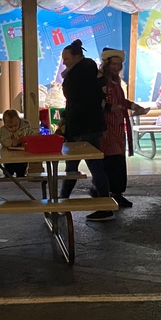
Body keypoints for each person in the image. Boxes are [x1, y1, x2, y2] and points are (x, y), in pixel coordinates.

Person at [57, 40, 113, 222]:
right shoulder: (89, 70)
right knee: (93, 167)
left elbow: (77, 102)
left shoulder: (78, 74)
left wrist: (68, 120)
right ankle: (102, 204)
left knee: (77, 167)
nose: (64, 62)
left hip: (80, 126)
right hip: (91, 125)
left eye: (66, 58)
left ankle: (61, 203)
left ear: (76, 57)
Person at [98, 48, 145, 209]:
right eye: (114, 64)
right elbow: (97, 102)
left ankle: (116, 192)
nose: (116, 67)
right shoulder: (101, 81)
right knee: (111, 161)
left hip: (117, 126)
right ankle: (110, 192)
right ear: (107, 64)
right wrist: (111, 108)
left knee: (118, 160)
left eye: (119, 64)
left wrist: (134, 106)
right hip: (106, 127)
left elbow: (121, 100)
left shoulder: (116, 81)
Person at [0, 108, 30, 177]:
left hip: (22, 155)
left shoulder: (25, 128)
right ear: (5, 124)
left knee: (21, 170)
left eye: (16, 126)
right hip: (9, 155)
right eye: (10, 127)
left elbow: (31, 135)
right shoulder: (4, 131)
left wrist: (27, 139)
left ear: (19, 121)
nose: (13, 128)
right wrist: (11, 143)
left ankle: (21, 174)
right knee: (8, 172)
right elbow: (3, 140)